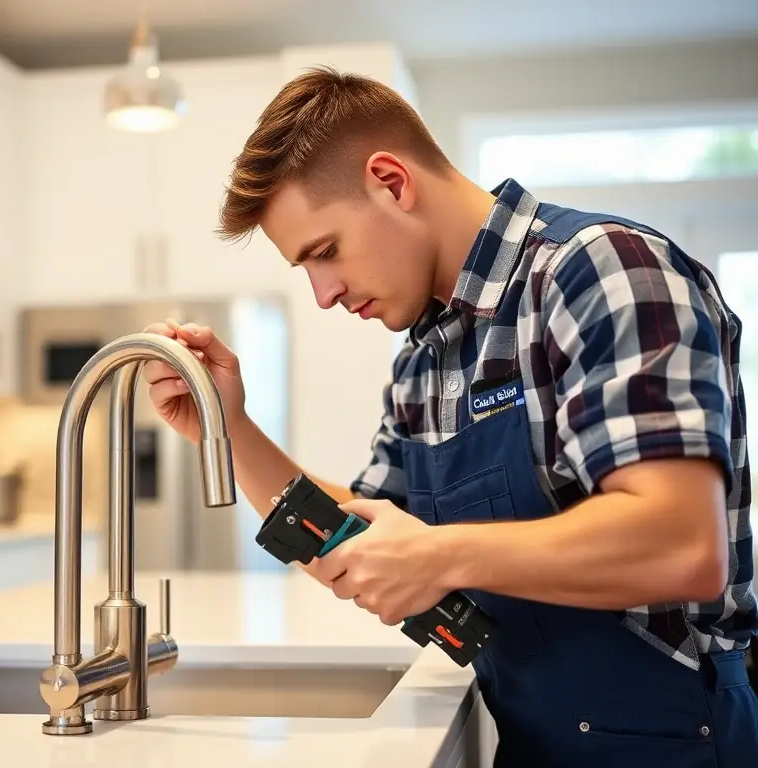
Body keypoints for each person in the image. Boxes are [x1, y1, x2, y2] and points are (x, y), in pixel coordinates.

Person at [140, 66, 758, 766]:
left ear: (392, 181)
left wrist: (438, 554)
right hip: (534, 744)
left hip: (672, 746)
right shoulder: (425, 359)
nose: (324, 293)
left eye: (326, 252)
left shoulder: (598, 271)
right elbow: (357, 544)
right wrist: (230, 429)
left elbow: (681, 543)